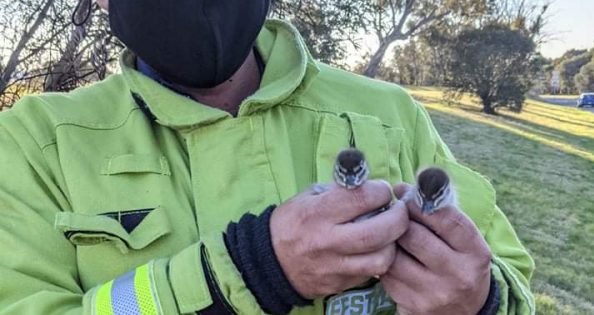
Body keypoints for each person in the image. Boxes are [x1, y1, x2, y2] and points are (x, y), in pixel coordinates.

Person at [0, 0, 535, 314]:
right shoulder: (34, 142)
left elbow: (511, 280)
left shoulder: (389, 112)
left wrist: (485, 302)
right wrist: (243, 269)